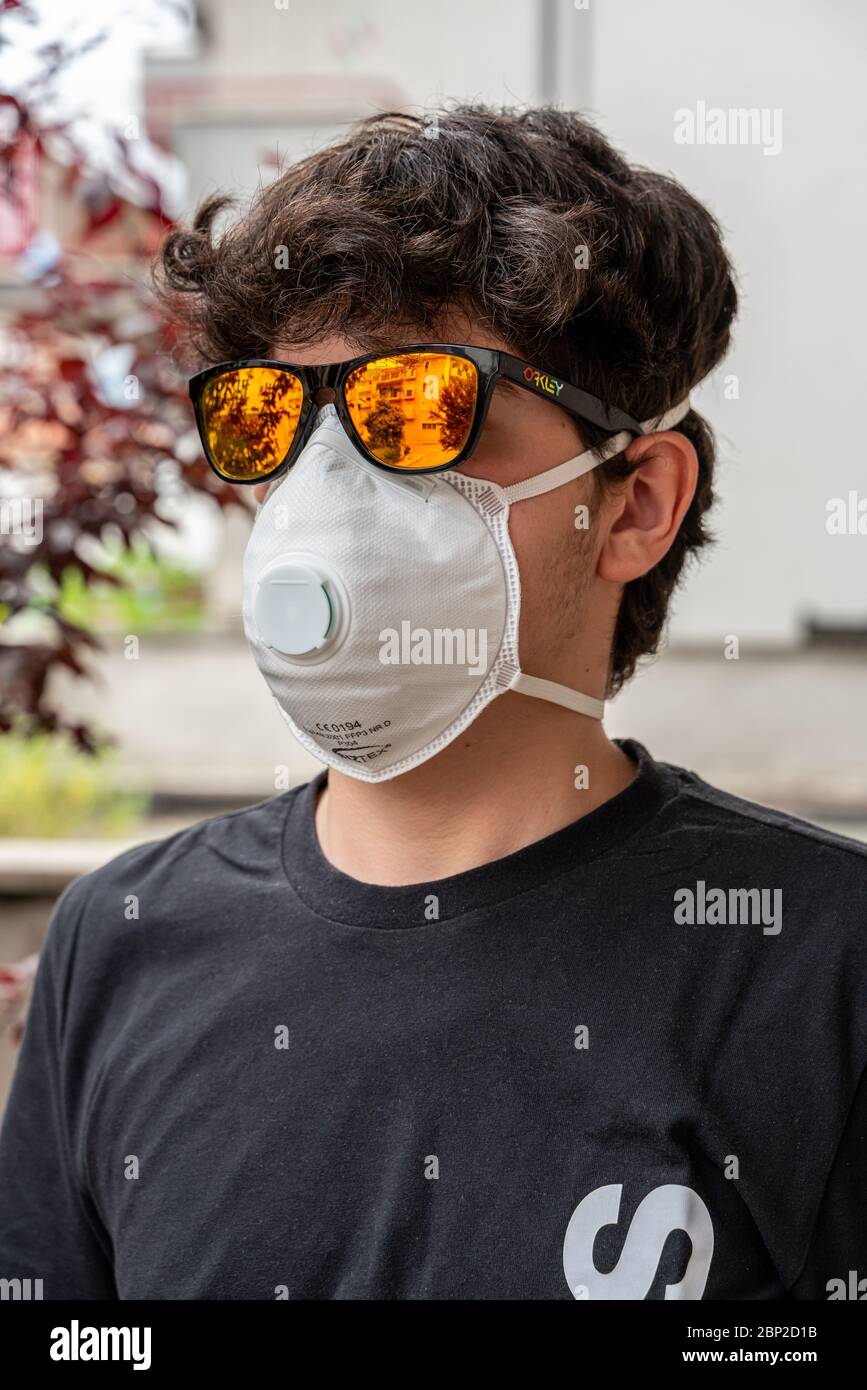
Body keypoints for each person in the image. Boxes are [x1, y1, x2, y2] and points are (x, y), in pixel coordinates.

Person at [1, 106, 864, 1301]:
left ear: (634, 506)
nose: (324, 488)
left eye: (415, 406)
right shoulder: (122, 941)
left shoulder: (818, 965)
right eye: (269, 412)